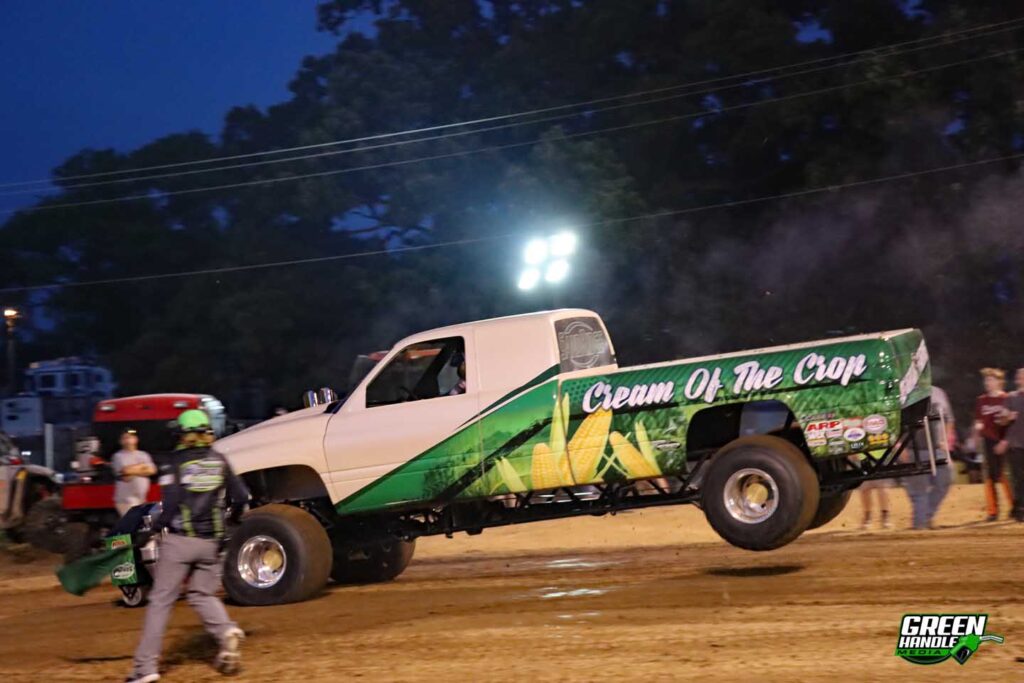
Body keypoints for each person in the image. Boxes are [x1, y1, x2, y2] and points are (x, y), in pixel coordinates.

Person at [126, 409, 250, 683]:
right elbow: (242, 496)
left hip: (180, 542)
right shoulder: (219, 460)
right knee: (201, 594)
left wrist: (152, 531)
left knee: (160, 602)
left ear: (183, 434)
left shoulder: (175, 463)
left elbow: (170, 505)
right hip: (212, 544)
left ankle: (145, 668)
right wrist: (232, 522)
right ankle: (225, 631)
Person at [902, 386, 956, 530]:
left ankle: (924, 517)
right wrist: (899, 447)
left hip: (937, 449)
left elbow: (949, 419)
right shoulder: (904, 392)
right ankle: (920, 525)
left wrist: (946, 440)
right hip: (913, 450)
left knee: (945, 480)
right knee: (919, 491)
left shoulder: (938, 392)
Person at [974, 367, 1011, 521]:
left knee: (1005, 475)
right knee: (989, 476)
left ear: (999, 382)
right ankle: (992, 511)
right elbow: (978, 420)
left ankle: (1016, 506)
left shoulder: (1006, 398)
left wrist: (1005, 440)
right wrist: (977, 429)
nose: (987, 383)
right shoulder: (982, 400)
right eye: (986, 380)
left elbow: (1011, 422)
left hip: (1004, 440)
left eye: (990, 380)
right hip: (988, 441)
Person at [995, 367, 1024, 522]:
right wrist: (1007, 417)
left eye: (1022, 375)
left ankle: (1017, 507)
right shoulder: (1011, 397)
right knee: (1017, 478)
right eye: (1019, 375)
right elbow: (1001, 421)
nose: (1020, 377)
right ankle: (1020, 509)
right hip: (1015, 445)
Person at [112, 429, 156, 517]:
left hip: (141, 499)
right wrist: (142, 467)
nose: (128, 440)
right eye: (125, 438)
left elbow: (152, 470)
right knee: (134, 523)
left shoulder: (143, 455)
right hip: (125, 500)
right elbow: (126, 475)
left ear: (136, 439)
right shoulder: (118, 456)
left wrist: (133, 470)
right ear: (121, 441)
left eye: (131, 437)